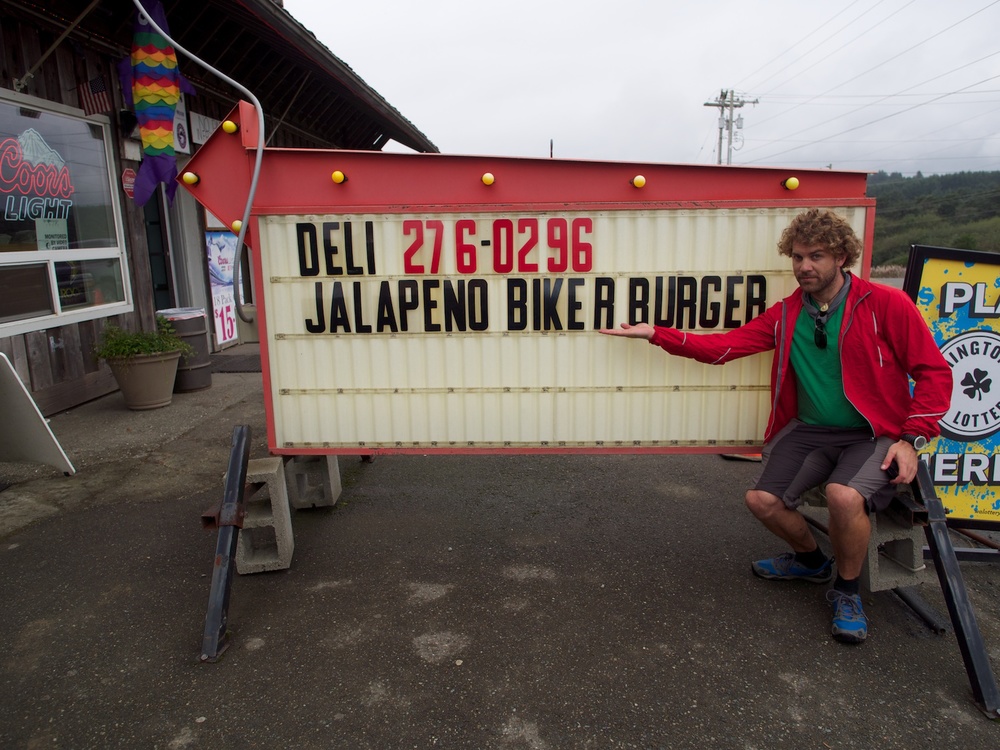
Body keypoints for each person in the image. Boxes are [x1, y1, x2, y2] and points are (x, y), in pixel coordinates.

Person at [600, 208, 952, 644]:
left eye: (816, 256)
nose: (804, 266)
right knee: (761, 501)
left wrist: (912, 439)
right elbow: (723, 348)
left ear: (841, 256)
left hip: (873, 433)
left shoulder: (885, 304)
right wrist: (656, 333)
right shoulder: (786, 314)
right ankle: (811, 561)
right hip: (810, 430)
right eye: (798, 257)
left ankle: (846, 592)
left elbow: (934, 372)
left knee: (844, 497)